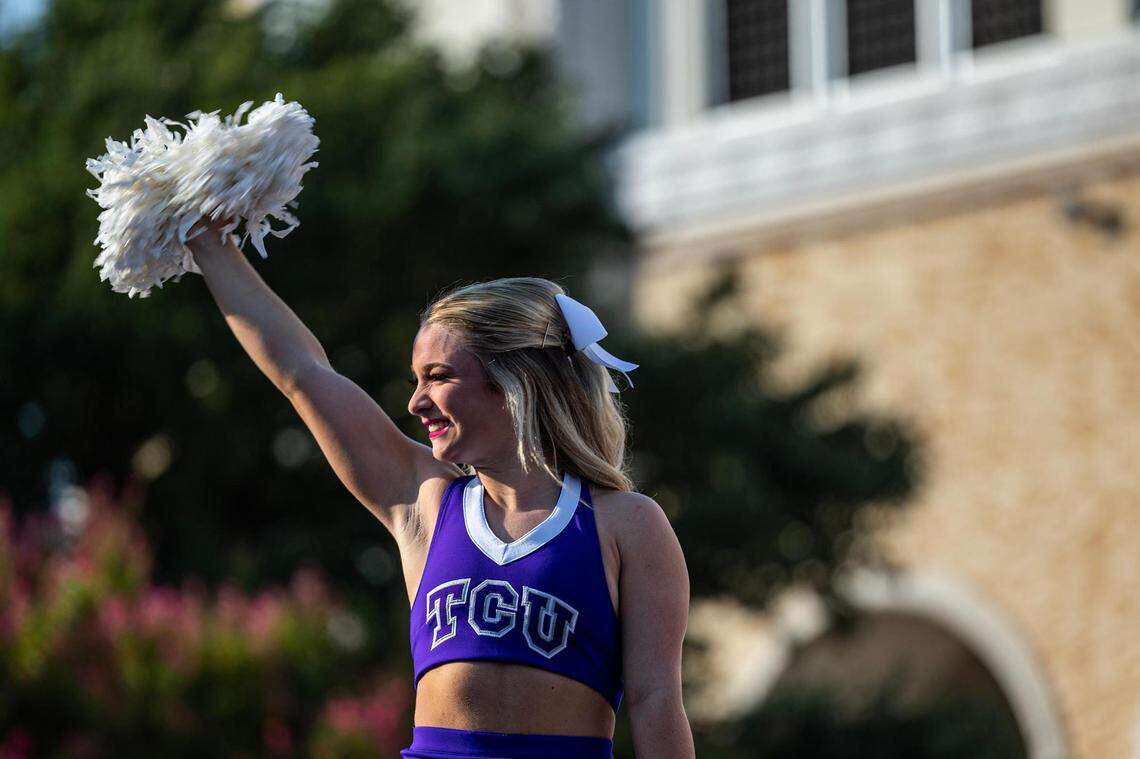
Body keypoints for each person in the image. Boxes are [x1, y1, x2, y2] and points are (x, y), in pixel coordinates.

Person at [186, 223, 694, 759]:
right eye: (415, 381)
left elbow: (656, 699)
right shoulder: (425, 502)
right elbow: (302, 371)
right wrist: (208, 242)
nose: (416, 402)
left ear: (512, 380)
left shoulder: (627, 523)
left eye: (438, 376)